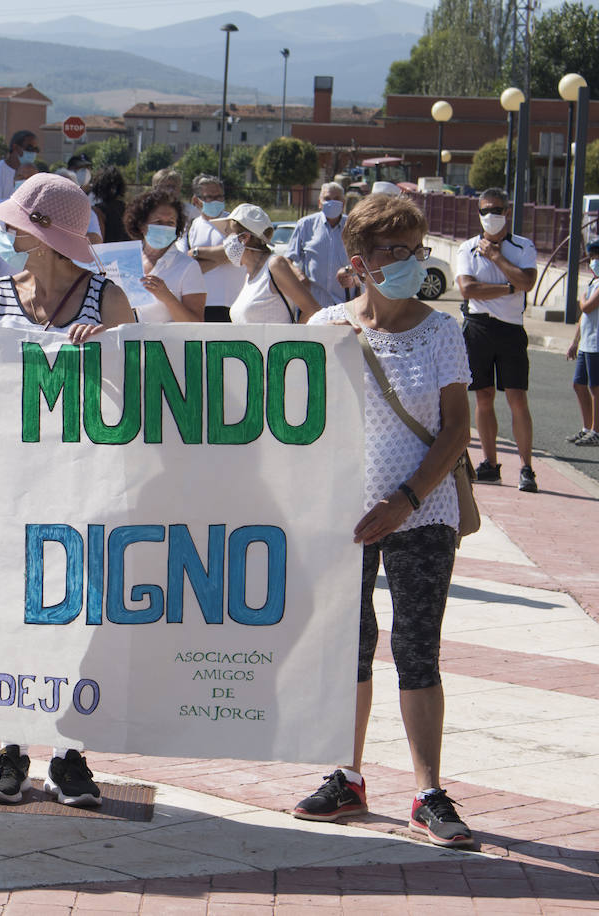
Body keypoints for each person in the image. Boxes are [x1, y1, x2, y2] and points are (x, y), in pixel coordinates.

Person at [294, 192, 474, 849]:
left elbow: (457, 430)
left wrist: (406, 497)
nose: (408, 262)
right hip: (343, 518)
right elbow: (293, 420)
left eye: (415, 249)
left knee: (417, 649)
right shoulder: (327, 327)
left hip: (424, 513)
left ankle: (428, 792)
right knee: (349, 647)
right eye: (394, 251)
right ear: (359, 259)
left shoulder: (440, 331)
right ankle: (347, 775)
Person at [0, 172, 135, 807]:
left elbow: (151, 387)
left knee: (78, 613)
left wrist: (112, 357)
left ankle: (70, 753)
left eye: (15, 227)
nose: (4, 235)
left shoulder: (108, 298)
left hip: (84, 485)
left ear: (43, 239)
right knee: (12, 612)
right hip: (9, 482)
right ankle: (10, 745)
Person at [455, 187, 539, 491]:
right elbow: (468, 289)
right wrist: (507, 288)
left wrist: (497, 258)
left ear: (508, 211)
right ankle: (490, 463)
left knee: (517, 397)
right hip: (478, 327)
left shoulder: (523, 247)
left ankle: (527, 467)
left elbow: (527, 281)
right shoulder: (466, 248)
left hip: (511, 328)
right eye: (485, 210)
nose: (491, 216)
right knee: (483, 396)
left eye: (497, 210)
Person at [215, 203, 320, 324]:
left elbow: (313, 310)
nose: (225, 240)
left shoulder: (275, 265)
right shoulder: (249, 274)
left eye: (228, 233)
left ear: (244, 237)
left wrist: (292, 341)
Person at [565, 236, 599, 447]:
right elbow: (583, 317)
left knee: (597, 386)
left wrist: (581, 298)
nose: (595, 261)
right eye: (593, 257)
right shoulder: (593, 282)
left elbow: (587, 307)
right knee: (578, 384)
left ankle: (598, 431)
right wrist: (574, 341)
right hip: (587, 343)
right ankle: (587, 428)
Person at [123, 188, 205, 322]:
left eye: (170, 223)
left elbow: (197, 324)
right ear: (141, 225)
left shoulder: (188, 267)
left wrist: (168, 298)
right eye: (158, 222)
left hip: (169, 343)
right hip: (129, 341)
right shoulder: (126, 262)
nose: (164, 227)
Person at [178, 174, 242, 322]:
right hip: (203, 304)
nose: (216, 201)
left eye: (219, 197)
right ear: (196, 200)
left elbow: (236, 252)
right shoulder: (192, 226)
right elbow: (189, 265)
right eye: (209, 197)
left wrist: (198, 252)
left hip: (232, 303)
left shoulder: (233, 223)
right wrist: (223, 256)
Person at [287, 182, 351, 307]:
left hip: (344, 304)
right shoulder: (305, 225)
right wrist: (299, 275)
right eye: (327, 199)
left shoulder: (352, 226)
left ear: (343, 203)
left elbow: (363, 262)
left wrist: (352, 274)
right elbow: (287, 260)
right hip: (312, 303)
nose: (331, 202)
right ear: (319, 203)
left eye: (336, 199)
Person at [0, 130, 40, 209]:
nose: (33, 152)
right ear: (15, 147)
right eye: (29, 148)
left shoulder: (33, 173)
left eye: (35, 149)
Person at [90, 166, 129, 245]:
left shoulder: (97, 212)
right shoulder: (129, 208)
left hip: (108, 254)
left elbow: (99, 240)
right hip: (129, 254)